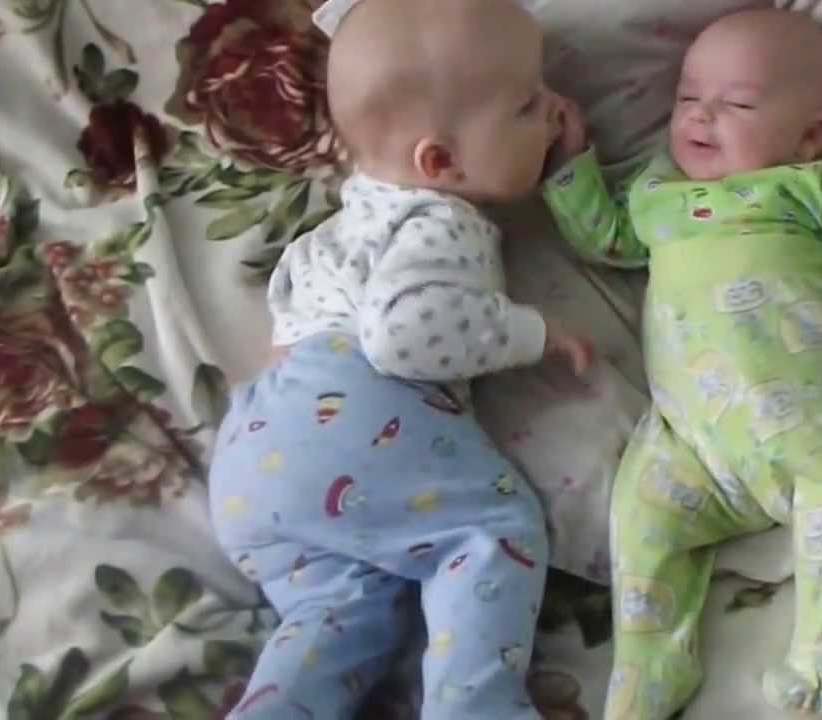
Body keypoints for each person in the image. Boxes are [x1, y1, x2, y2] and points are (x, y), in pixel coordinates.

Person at [206, 1, 591, 717]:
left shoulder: (331, 234)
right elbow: (402, 334)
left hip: (253, 462)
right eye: (527, 105)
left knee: (348, 611)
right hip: (350, 408)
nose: (554, 109)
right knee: (491, 530)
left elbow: (286, 343)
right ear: (439, 162)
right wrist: (532, 331)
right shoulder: (440, 220)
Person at [543, 9, 822, 719]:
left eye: (739, 104)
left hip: (811, 430)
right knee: (639, 514)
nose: (701, 114)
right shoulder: (658, 193)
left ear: (808, 135)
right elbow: (607, 240)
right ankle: (651, 665)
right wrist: (572, 165)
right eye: (689, 97)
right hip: (692, 443)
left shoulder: (812, 187)